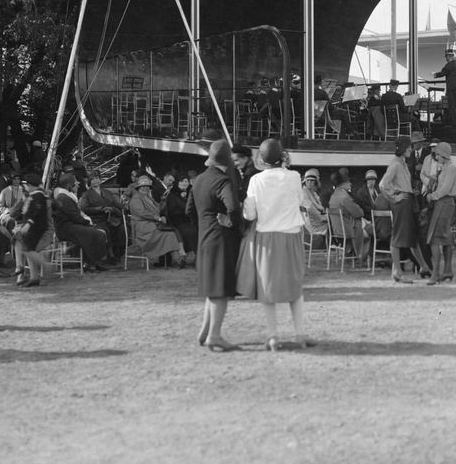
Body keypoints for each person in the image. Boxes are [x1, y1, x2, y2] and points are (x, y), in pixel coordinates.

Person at [243, 138, 316, 350]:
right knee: (295, 286)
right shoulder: (294, 176)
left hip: (266, 237)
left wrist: (247, 204)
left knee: (267, 288)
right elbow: (300, 201)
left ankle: (273, 336)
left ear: (262, 159)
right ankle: (300, 334)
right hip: (291, 235)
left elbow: (249, 215)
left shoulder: (256, 180)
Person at [186, 140, 241, 350]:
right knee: (220, 290)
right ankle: (214, 336)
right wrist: (232, 222)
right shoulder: (223, 181)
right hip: (221, 239)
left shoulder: (199, 179)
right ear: (227, 161)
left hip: (204, 238)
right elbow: (233, 208)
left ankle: (205, 331)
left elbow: (189, 211)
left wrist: (204, 224)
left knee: (212, 288)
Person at [379, 138, 430, 283]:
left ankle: (424, 267)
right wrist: (394, 197)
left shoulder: (403, 163)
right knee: (398, 237)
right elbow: (383, 184)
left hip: (409, 202)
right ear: (401, 148)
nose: (410, 150)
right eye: (408, 147)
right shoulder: (395, 164)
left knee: (412, 236)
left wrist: (410, 191)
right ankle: (398, 272)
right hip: (401, 203)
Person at [52, 173, 113, 271]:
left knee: (96, 232)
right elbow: (75, 216)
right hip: (65, 229)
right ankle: (91, 262)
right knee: (95, 233)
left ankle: (91, 262)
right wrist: (87, 223)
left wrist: (87, 223)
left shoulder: (66, 197)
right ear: (69, 184)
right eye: (75, 182)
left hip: (71, 226)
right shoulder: (63, 198)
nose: (77, 184)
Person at [423, 141, 456, 283]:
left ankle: (436, 274)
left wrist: (432, 196)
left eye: (437, 154)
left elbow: (445, 188)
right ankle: (448, 271)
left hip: (444, 202)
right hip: (443, 202)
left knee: (435, 238)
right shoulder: (445, 167)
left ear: (444, 154)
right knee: (445, 237)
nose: (436, 157)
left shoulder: (451, 168)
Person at [127, 174, 182, 267]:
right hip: (143, 228)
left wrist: (163, 202)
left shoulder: (149, 198)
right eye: (143, 186)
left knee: (171, 232)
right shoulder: (136, 198)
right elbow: (142, 213)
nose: (145, 188)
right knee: (168, 234)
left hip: (151, 225)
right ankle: (178, 260)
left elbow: (157, 210)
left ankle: (178, 259)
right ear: (138, 188)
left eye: (147, 186)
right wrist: (159, 218)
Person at [11, 172, 52, 287]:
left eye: (26, 185)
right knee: (19, 240)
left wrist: (28, 223)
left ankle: (45, 265)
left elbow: (38, 213)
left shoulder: (40, 197)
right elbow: (13, 213)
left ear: (31, 185)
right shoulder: (32, 196)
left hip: (42, 230)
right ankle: (26, 272)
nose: (24, 187)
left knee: (27, 249)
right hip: (31, 228)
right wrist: (23, 200)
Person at [79, 171, 128, 265]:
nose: (95, 181)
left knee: (121, 228)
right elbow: (84, 209)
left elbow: (116, 204)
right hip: (96, 219)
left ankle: (119, 250)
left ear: (100, 180)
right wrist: (99, 209)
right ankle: (111, 254)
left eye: (97, 178)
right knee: (106, 230)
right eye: (92, 179)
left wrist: (113, 209)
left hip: (110, 218)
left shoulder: (107, 192)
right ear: (89, 182)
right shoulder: (86, 194)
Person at [328, 168, 372, 270]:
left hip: (337, 231)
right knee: (373, 229)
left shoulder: (333, 196)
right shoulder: (345, 197)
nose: (350, 184)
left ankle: (357, 255)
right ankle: (363, 257)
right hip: (350, 230)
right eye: (348, 182)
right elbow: (359, 213)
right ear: (342, 184)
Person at [433, 49, 456, 143]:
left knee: (452, 106)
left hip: (451, 87)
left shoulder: (449, 64)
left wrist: (435, 75)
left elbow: (443, 73)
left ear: (449, 56)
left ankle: (454, 124)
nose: (446, 58)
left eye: (446, 57)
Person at [301, 168, 329, 248]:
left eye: (312, 181)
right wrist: (321, 218)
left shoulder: (314, 194)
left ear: (315, 182)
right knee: (335, 225)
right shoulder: (303, 193)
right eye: (308, 180)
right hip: (311, 223)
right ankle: (335, 245)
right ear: (305, 181)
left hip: (315, 220)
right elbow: (310, 207)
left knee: (335, 223)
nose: (309, 182)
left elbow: (319, 207)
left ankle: (334, 245)